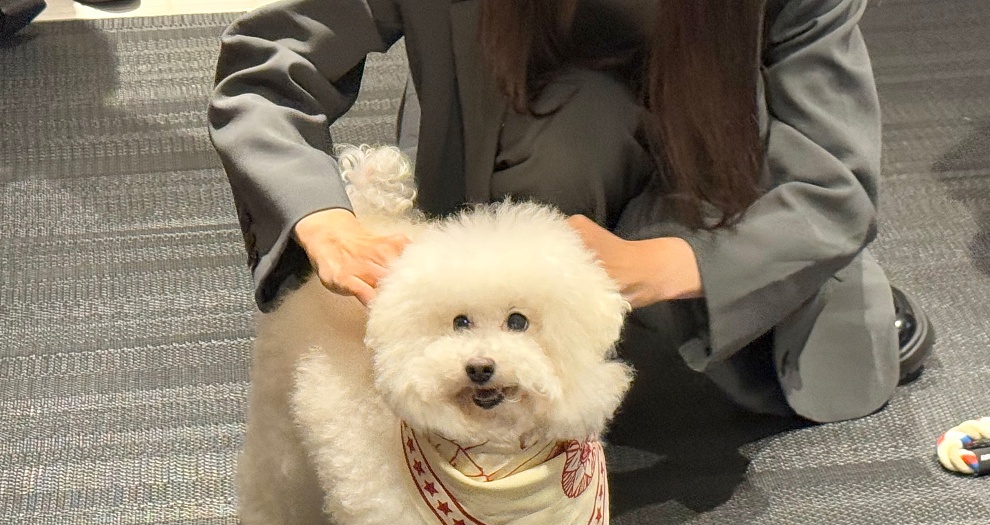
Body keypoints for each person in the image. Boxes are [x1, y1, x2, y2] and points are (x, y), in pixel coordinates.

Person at [208, 0, 934, 425]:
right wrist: (320, 219)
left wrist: (667, 266)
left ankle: (752, 285)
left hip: (726, 164)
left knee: (790, 274)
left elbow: (834, 175)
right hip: (535, 142)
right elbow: (269, 63)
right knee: (576, 131)